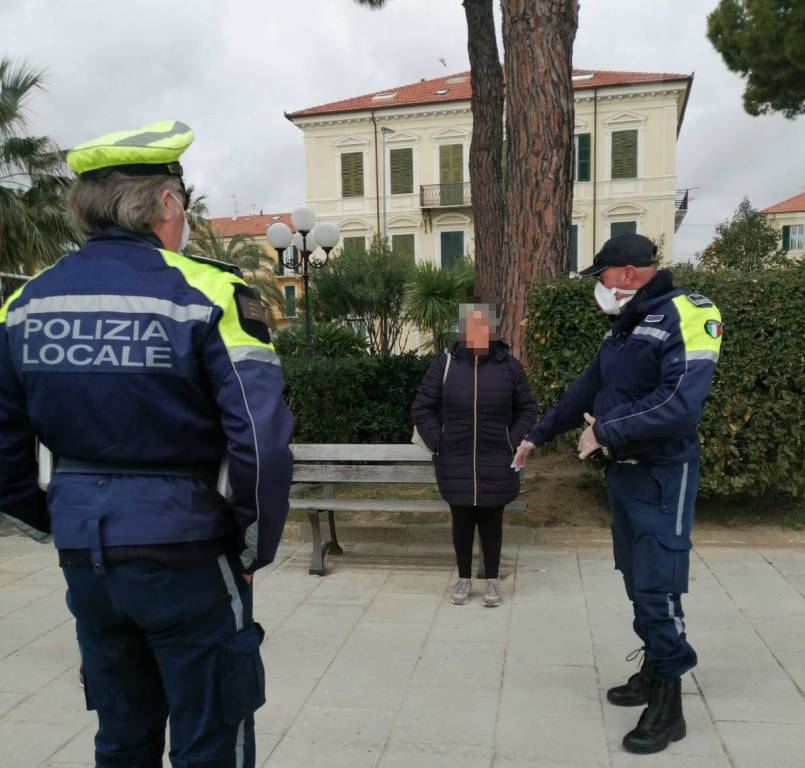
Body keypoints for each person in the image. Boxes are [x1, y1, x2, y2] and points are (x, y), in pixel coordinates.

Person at [0, 120, 294, 768]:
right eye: (181, 205)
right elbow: (261, 439)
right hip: (186, 550)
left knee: (122, 739)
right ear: (166, 204)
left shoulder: (21, 306)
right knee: (210, 739)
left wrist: (55, 520)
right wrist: (251, 544)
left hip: (89, 559)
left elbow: (3, 445)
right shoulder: (212, 292)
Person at [513, 233, 722, 754]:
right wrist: (537, 435)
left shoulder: (688, 312)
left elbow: (680, 402)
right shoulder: (624, 327)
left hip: (662, 474)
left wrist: (605, 430)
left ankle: (669, 706)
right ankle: (654, 669)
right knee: (636, 581)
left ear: (629, 272)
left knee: (659, 588)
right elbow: (587, 389)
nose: (600, 286)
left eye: (603, 275)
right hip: (625, 475)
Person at [412, 299, 536, 607]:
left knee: (492, 518)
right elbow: (423, 407)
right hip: (455, 456)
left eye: (484, 326)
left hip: (497, 456)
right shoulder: (445, 365)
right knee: (462, 518)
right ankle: (464, 579)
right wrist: (438, 440)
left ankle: (492, 581)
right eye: (471, 326)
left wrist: (513, 440)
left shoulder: (510, 367)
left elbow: (527, 409)